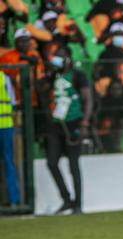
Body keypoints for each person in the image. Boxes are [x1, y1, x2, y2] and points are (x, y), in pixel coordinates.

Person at [38, 46, 92, 214]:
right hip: (56, 124)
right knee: (52, 162)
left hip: (74, 123)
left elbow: (88, 99)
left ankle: (78, 204)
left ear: (68, 57)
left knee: (73, 165)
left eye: (60, 56)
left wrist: (84, 122)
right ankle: (67, 199)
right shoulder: (54, 75)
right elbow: (41, 90)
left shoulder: (78, 75)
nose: (57, 59)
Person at [0, 69, 20, 207]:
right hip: (6, 126)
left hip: (5, 126)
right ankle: (13, 200)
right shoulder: (4, 78)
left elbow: (12, 103)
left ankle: (13, 200)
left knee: (8, 163)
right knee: (8, 163)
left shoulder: (4, 78)